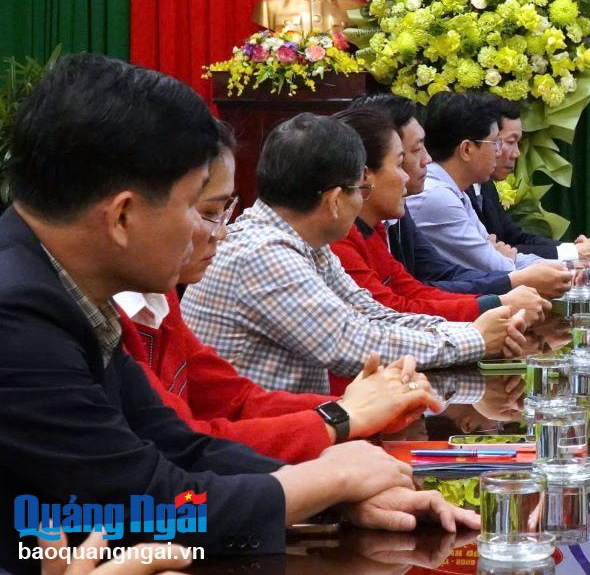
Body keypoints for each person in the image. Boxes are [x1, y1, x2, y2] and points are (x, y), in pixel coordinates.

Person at [0, 55, 474, 573]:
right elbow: (147, 500)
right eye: (197, 209)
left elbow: (178, 445)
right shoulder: (17, 314)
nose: (215, 233)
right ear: (122, 216)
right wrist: (327, 478)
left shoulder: (66, 288)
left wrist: (336, 494)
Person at [116, 121, 442, 464]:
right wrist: (343, 418)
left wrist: (356, 408)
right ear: (123, 215)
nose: (221, 233)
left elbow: (238, 401)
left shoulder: (158, 296)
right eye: (208, 212)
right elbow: (186, 449)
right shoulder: (261, 251)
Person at [183, 114, 531, 393]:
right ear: (335, 200)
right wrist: (474, 337)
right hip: (255, 451)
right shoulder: (263, 253)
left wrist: (477, 328)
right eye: (360, 189)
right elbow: (355, 343)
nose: (363, 198)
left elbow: (373, 315)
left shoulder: (304, 243)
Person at [329, 106, 551, 323]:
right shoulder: (339, 237)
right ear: (365, 177)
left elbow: (412, 290)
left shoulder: (373, 226)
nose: (407, 175)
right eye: (400, 163)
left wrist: (497, 303)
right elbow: (389, 313)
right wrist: (496, 307)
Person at [347, 94, 529, 297]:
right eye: (413, 152)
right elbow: (395, 303)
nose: (428, 159)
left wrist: (509, 283)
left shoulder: (392, 212)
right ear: (365, 173)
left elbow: (424, 280)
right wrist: (508, 287)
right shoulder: (345, 233)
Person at [406, 92, 572, 296]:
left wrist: (570, 267)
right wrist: (507, 258)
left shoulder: (456, 191)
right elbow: (497, 267)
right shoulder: (437, 197)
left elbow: (504, 260)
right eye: (495, 143)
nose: (499, 151)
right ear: (466, 149)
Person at [469, 97, 590, 263]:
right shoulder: (455, 190)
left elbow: (515, 239)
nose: (516, 154)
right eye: (510, 142)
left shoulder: (484, 184)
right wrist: (576, 252)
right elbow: (495, 251)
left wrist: (576, 250)